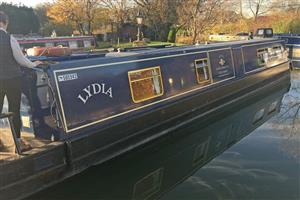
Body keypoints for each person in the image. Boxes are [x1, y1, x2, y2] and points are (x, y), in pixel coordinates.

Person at [0, 11, 42, 151]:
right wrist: (33, 64)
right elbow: (20, 59)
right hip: (12, 80)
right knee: (14, 110)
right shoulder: (10, 38)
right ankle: (17, 141)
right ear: (5, 23)